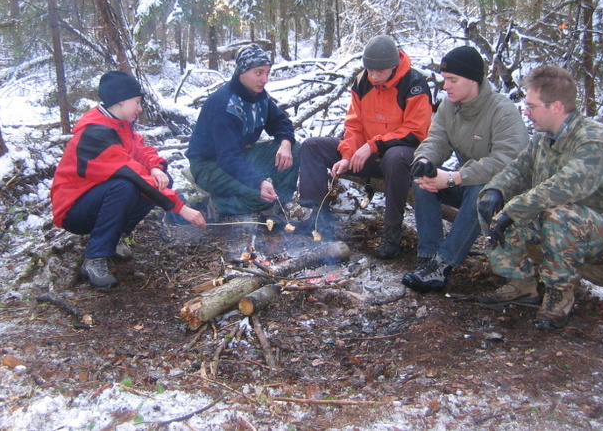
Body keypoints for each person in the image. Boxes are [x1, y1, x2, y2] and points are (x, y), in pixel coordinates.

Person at [476, 66, 603, 330]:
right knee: (490, 201)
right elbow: (519, 169)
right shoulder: (543, 138)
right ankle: (522, 282)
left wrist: (513, 209)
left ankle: (559, 293)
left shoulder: (594, 140)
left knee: (558, 213)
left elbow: (564, 187)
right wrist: (495, 190)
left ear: (556, 106)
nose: (526, 113)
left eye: (531, 106)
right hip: (561, 223)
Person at [51, 70, 207, 288]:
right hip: (73, 209)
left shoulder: (117, 123)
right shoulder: (96, 133)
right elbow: (131, 172)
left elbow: (140, 150)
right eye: (137, 102)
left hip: (96, 196)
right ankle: (95, 258)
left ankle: (115, 237)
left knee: (161, 180)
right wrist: (180, 208)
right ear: (121, 101)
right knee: (125, 186)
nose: (140, 108)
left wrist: (155, 167)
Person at [402, 46, 528, 291]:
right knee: (424, 181)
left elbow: (507, 161)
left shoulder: (502, 111)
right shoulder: (451, 106)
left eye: (452, 80)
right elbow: (437, 139)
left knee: (480, 189)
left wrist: (454, 177)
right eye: (445, 79)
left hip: (504, 194)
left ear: (473, 80)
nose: (445, 86)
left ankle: (444, 264)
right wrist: (425, 162)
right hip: (466, 182)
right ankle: (429, 257)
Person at [298, 35, 432, 257]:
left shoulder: (414, 84)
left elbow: (416, 131)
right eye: (369, 70)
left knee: (396, 157)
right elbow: (354, 126)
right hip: (367, 155)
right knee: (312, 146)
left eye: (379, 71)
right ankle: (318, 216)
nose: (373, 76)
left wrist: (374, 145)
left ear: (394, 66)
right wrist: (347, 156)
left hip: (403, 158)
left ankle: (392, 230)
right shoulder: (362, 82)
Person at [186, 44, 299, 219]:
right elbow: (228, 158)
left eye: (267, 73)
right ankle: (215, 204)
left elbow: (280, 122)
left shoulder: (259, 96)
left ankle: (282, 204)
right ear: (242, 73)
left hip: (241, 155)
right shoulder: (225, 105)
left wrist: (285, 144)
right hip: (209, 165)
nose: (265, 79)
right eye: (258, 73)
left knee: (294, 148)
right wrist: (259, 181)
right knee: (261, 196)